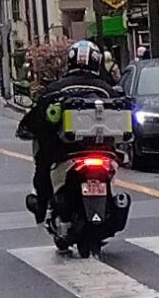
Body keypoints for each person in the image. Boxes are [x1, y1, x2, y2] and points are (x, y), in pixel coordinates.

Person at [17, 50, 122, 222]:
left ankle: (42, 205)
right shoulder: (107, 90)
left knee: (43, 163)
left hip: (65, 150)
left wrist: (32, 128)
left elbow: (37, 119)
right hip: (102, 149)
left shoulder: (56, 89)